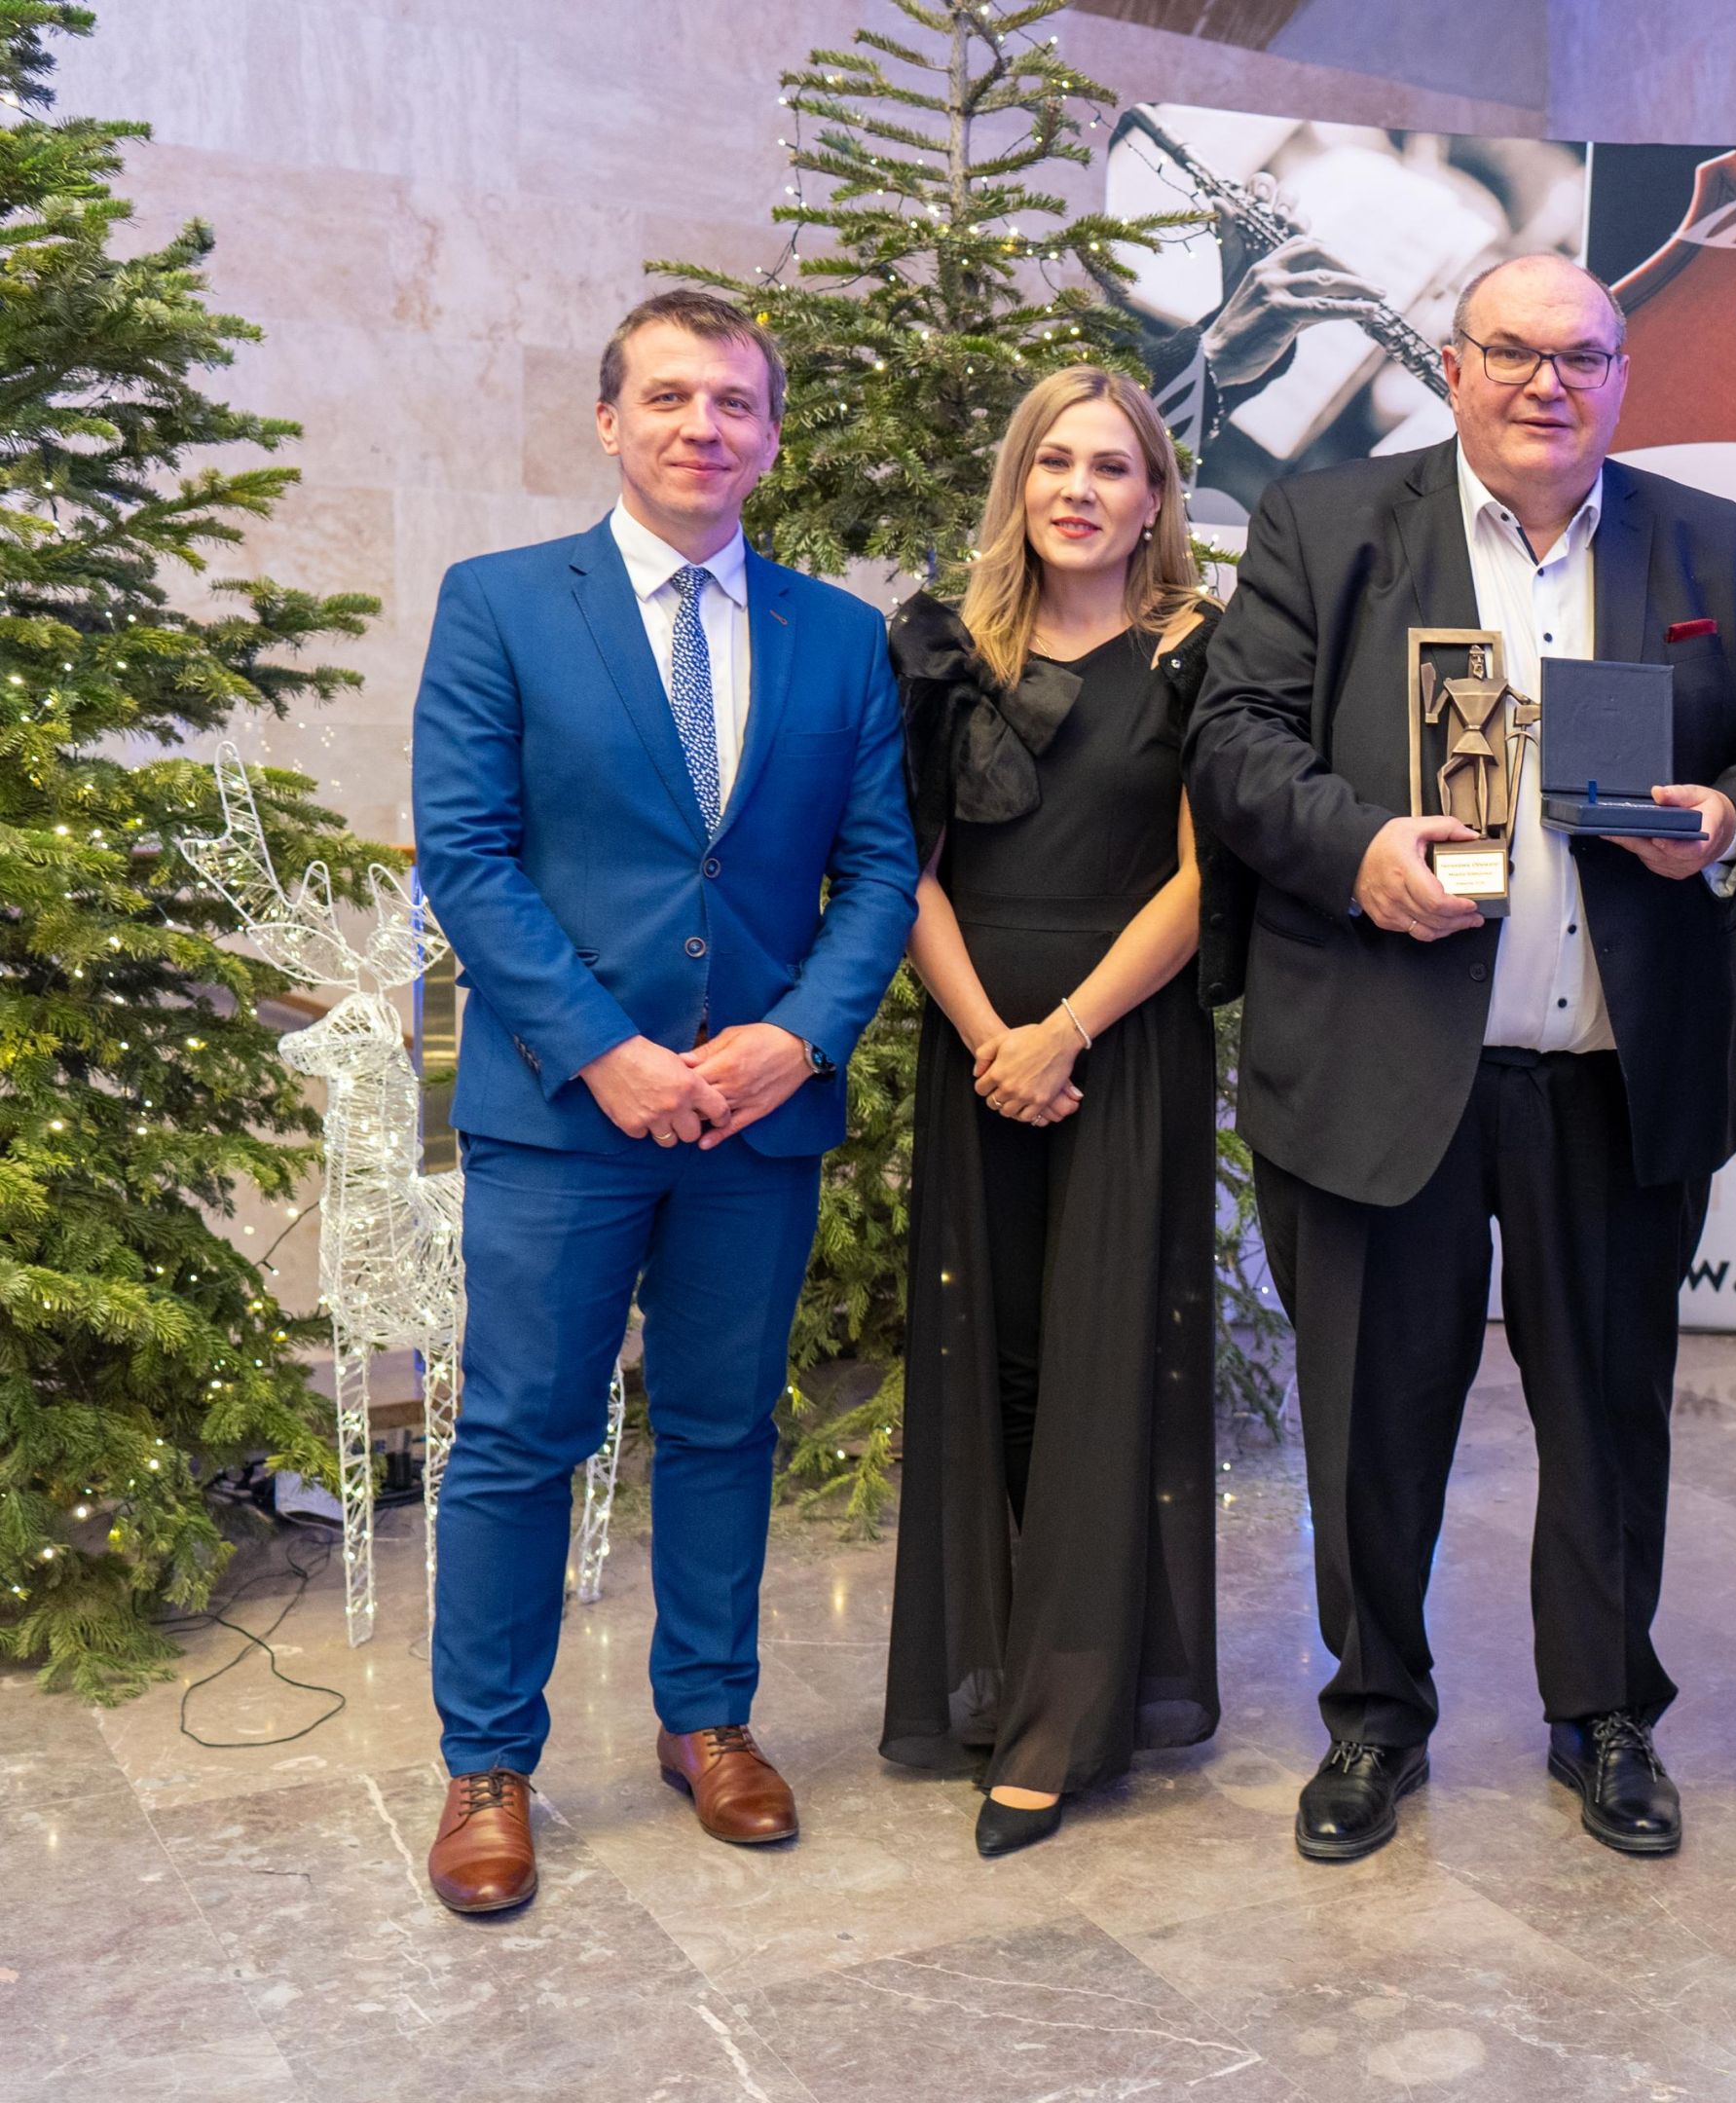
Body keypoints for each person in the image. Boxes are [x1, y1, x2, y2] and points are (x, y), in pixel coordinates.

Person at [1188, 253, 1736, 1863]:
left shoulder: (1704, 540)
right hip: (1383, 1058)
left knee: (1610, 1414)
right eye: (1513, 352)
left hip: (1611, 1067)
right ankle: (1375, 1715)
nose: (1548, 383)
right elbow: (1235, 740)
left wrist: (1729, 815)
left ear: (1620, 378)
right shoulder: (1330, 524)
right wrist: (1356, 850)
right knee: (1373, 1414)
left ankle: (1604, 1716)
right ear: (1452, 367)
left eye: (1582, 357)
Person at [411, 290, 919, 1914]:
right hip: (564, 1115)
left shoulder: (839, 636)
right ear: (610, 420)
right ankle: (488, 1764)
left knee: (721, 1427)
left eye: (737, 403)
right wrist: (604, 1050)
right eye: (672, 397)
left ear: (770, 436)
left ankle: (707, 1719)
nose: (706, 426)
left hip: (756, 1122)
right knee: (518, 1436)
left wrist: (800, 1039)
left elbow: (882, 872)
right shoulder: (500, 604)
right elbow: (467, 857)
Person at [878, 368, 1224, 1858]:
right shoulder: (943, 651)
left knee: (1102, 1366)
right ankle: (993, 1674)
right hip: (979, 1048)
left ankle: (1064, 1718)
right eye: (1054, 463)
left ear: (1155, 500)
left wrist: (1065, 1031)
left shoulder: (1201, 653)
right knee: (994, 1360)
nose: (1080, 490)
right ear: (1018, 485)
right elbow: (904, 871)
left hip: (1123, 1043)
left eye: (1113, 467)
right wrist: (990, 1041)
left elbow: (1207, 880)